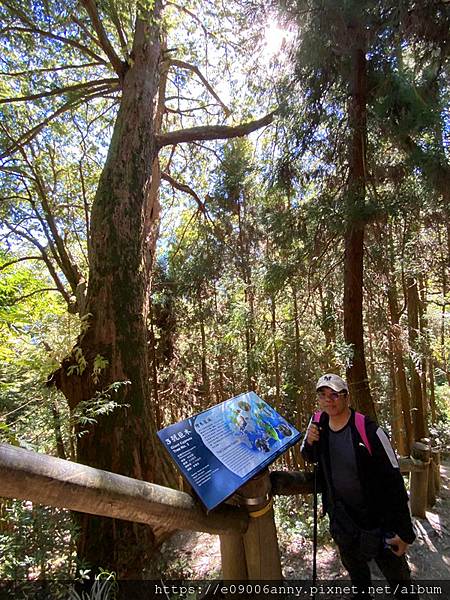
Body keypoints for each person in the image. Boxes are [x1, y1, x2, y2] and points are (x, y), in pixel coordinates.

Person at [301, 373, 416, 598]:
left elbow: (394, 480)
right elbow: (310, 456)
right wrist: (310, 441)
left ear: (346, 397)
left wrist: (405, 533)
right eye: (323, 396)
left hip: (379, 522)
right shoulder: (319, 422)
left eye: (335, 395)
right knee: (357, 576)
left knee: (399, 581)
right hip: (343, 520)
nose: (329, 401)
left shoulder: (369, 429)